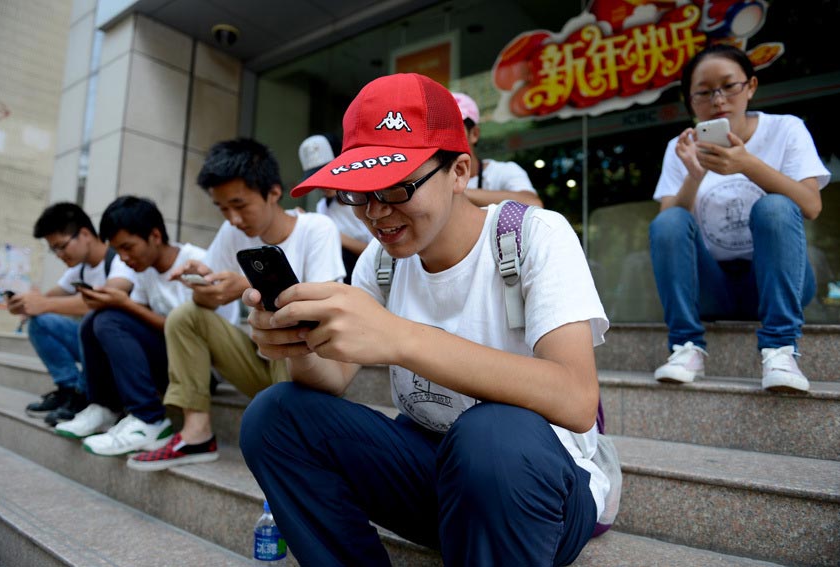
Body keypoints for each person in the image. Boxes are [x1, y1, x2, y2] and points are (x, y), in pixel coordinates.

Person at [239, 73, 609, 566]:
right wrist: (299, 345)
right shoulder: (382, 260)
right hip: (433, 475)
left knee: (492, 435)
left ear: (460, 171)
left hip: (533, 489)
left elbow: (577, 398)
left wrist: (401, 338)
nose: (375, 213)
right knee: (275, 415)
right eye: (357, 192)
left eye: (395, 187)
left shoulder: (534, 235)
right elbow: (330, 381)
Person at [127, 138, 345, 471]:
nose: (232, 218)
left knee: (281, 316)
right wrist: (202, 284)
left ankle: (294, 445)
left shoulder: (317, 229)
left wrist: (246, 285)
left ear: (273, 192)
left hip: (308, 368)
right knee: (185, 316)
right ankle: (196, 433)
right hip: (259, 362)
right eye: (223, 208)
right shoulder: (231, 233)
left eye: (240, 205)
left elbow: (325, 309)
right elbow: (206, 303)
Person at [650, 44, 830, 392]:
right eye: (703, 92)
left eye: (729, 86)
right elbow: (667, 230)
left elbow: (811, 205)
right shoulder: (682, 147)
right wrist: (694, 175)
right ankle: (685, 347)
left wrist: (748, 164)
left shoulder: (786, 130)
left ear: (750, 86)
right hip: (713, 288)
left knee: (775, 207)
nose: (718, 100)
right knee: (668, 221)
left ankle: (781, 348)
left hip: (779, 281)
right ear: (690, 101)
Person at [54, 196, 208, 456]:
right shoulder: (142, 269)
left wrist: (126, 304)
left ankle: (150, 418)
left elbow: (198, 335)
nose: (123, 258)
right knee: (97, 318)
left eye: (128, 247)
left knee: (110, 317)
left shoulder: (198, 262)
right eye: (117, 250)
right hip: (168, 361)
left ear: (155, 235)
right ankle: (105, 406)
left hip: (200, 369)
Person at [7, 202, 135, 424]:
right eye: (53, 249)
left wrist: (43, 304)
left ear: (84, 234)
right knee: (41, 322)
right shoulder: (80, 269)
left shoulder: (119, 261)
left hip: (122, 349)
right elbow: (47, 299)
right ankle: (69, 390)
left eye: (61, 246)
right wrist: (24, 304)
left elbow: (101, 301)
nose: (58, 254)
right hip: (94, 346)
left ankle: (86, 395)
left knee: (95, 320)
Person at [300, 133, 374, 283]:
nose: (322, 184)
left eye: (328, 173)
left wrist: (332, 232)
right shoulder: (324, 206)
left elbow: (379, 253)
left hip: (367, 274)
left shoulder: (365, 200)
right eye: (316, 177)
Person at [451, 91, 543, 207]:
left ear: (474, 134)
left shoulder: (502, 172)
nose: (445, 137)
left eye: (453, 129)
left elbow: (533, 203)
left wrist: (457, 191)